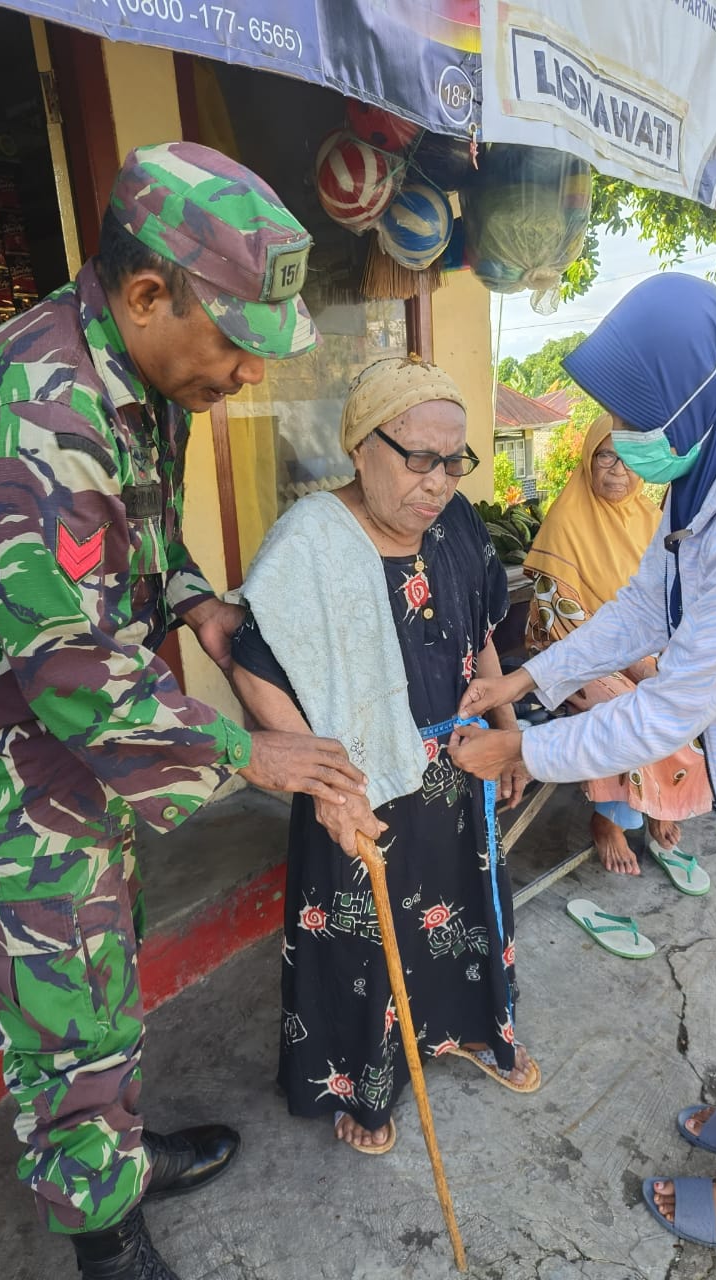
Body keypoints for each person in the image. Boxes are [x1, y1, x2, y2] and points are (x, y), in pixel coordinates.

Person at [0, 142, 372, 1280]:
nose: (244, 379)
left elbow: (137, 534)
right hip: (7, 768)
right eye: (236, 347)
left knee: (103, 965)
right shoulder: (30, 410)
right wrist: (250, 752)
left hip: (89, 746)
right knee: (63, 1004)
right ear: (146, 294)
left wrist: (196, 606)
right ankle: (103, 1233)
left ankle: (114, 1153)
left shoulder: (142, 374)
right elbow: (73, 669)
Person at [449, 273, 716, 1270]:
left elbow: (673, 704)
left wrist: (527, 743)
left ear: (691, 402)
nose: (618, 433)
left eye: (633, 414)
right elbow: (647, 608)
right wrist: (529, 671)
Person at [229, 354, 541, 1156]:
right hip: (356, 778)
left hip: (457, 766)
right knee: (367, 940)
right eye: (419, 458)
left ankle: (473, 1031)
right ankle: (366, 1087)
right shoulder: (309, 541)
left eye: (455, 459)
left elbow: (481, 641)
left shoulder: (459, 523)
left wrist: (508, 734)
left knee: (465, 912)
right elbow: (255, 668)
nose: (438, 481)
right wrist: (328, 788)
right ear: (362, 446)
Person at [524, 412, 712, 886]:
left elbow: (670, 601)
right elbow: (559, 619)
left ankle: (659, 804)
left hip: (640, 647)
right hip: (571, 649)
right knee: (626, 706)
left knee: (681, 689)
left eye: (628, 459)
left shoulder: (651, 518)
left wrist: (656, 662)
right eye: (606, 455)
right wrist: (637, 666)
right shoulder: (568, 518)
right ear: (589, 458)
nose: (617, 470)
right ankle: (610, 821)